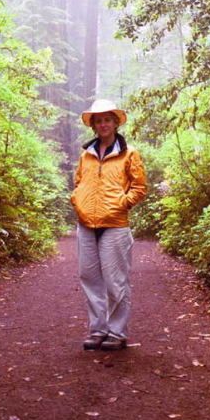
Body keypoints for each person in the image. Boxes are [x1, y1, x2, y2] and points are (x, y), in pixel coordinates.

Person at [71, 99, 147, 351]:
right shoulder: (87, 154)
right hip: (86, 225)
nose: (103, 124)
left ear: (115, 122)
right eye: (98, 120)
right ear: (93, 125)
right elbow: (79, 182)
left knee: (116, 281)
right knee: (90, 278)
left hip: (114, 224)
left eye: (107, 119)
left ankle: (116, 333)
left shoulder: (129, 153)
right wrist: (78, 201)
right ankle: (97, 330)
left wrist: (122, 204)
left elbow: (139, 187)